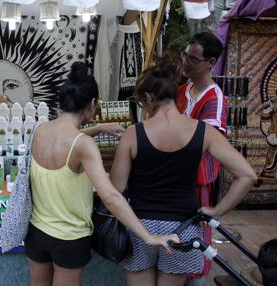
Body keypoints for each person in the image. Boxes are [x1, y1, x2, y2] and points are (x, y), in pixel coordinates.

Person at [24, 62, 178, 286]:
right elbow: (110, 196)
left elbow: (65, 137)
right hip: (69, 238)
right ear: (93, 104)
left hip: (37, 233)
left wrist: (98, 129)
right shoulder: (83, 145)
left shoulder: (41, 131)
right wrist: (148, 236)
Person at [110, 57, 256, 286]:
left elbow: (116, 189)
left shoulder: (132, 134)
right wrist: (216, 210)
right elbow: (247, 175)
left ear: (148, 98)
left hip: (138, 226)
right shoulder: (204, 132)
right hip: (183, 227)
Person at [177, 32, 227, 285]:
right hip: (177, 175)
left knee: (196, 230)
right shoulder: (182, 91)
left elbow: (206, 143)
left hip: (197, 180)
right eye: (185, 56)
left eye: (193, 59)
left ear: (211, 62)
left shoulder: (213, 99)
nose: (186, 62)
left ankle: (194, 277)